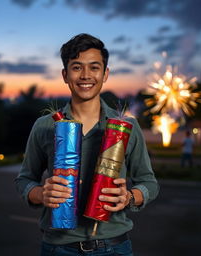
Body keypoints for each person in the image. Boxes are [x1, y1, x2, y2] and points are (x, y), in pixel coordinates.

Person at [15, 33, 159, 256]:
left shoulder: (125, 127)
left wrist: (129, 197)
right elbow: (24, 179)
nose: (85, 75)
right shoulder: (45, 126)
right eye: (76, 67)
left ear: (105, 74)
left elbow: (149, 182)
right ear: (65, 75)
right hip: (58, 247)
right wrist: (41, 194)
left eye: (94, 67)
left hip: (115, 247)